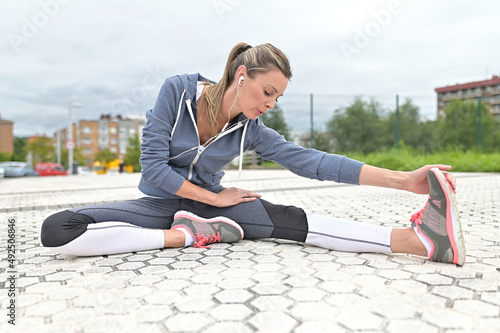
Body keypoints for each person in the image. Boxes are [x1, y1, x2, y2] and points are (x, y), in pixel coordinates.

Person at [41, 43, 466, 266]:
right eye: (267, 92)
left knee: (292, 221)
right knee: (59, 229)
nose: (270, 104)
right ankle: (191, 235)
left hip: (212, 207)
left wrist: (402, 179)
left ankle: (418, 241)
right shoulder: (177, 91)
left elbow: (312, 161)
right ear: (241, 75)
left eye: (277, 98)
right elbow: (152, 167)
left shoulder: (253, 130)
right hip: (164, 205)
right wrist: (211, 203)